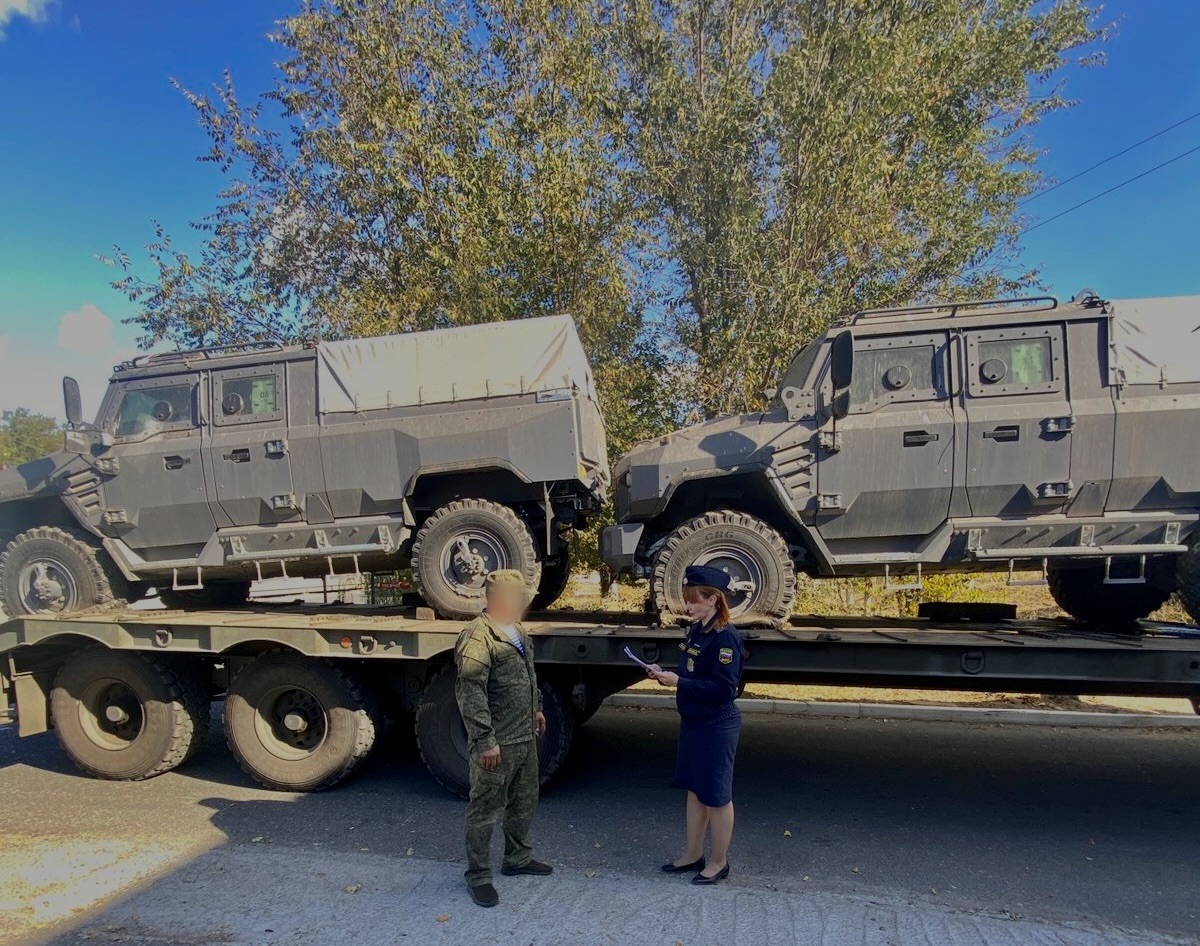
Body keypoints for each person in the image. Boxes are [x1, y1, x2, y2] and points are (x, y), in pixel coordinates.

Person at [454, 569, 553, 908]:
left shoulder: (517, 629)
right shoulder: (478, 637)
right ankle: (478, 876)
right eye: (515, 597)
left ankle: (518, 858)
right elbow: (470, 692)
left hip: (524, 735)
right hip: (497, 741)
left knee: (524, 801)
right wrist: (484, 740)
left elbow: (528, 674)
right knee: (485, 809)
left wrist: (536, 707)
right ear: (496, 598)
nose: (520, 603)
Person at [647, 564, 745, 886]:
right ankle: (692, 854)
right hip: (694, 722)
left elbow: (723, 689)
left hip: (716, 726)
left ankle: (719, 862)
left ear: (715, 600)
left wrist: (680, 683)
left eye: (694, 599)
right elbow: (689, 672)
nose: (687, 605)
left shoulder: (725, 637)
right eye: (687, 599)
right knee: (694, 791)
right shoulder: (696, 630)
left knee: (716, 797)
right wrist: (666, 677)